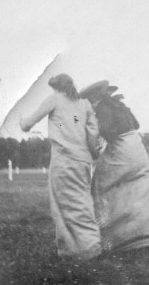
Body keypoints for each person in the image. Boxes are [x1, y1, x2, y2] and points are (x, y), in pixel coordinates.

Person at [20, 74, 102, 260]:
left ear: (56, 87)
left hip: (63, 161)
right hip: (83, 162)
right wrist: (94, 155)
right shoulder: (85, 104)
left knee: (64, 204)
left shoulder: (54, 99)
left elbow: (27, 124)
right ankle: (81, 247)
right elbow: (92, 135)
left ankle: (82, 249)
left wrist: (21, 120)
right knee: (82, 201)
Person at [79, 81, 149, 256]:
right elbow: (137, 125)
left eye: (89, 100)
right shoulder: (119, 105)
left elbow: (106, 133)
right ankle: (148, 237)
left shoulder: (101, 109)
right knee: (139, 188)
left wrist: (93, 145)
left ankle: (110, 241)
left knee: (100, 186)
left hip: (122, 150)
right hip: (137, 148)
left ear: (95, 98)